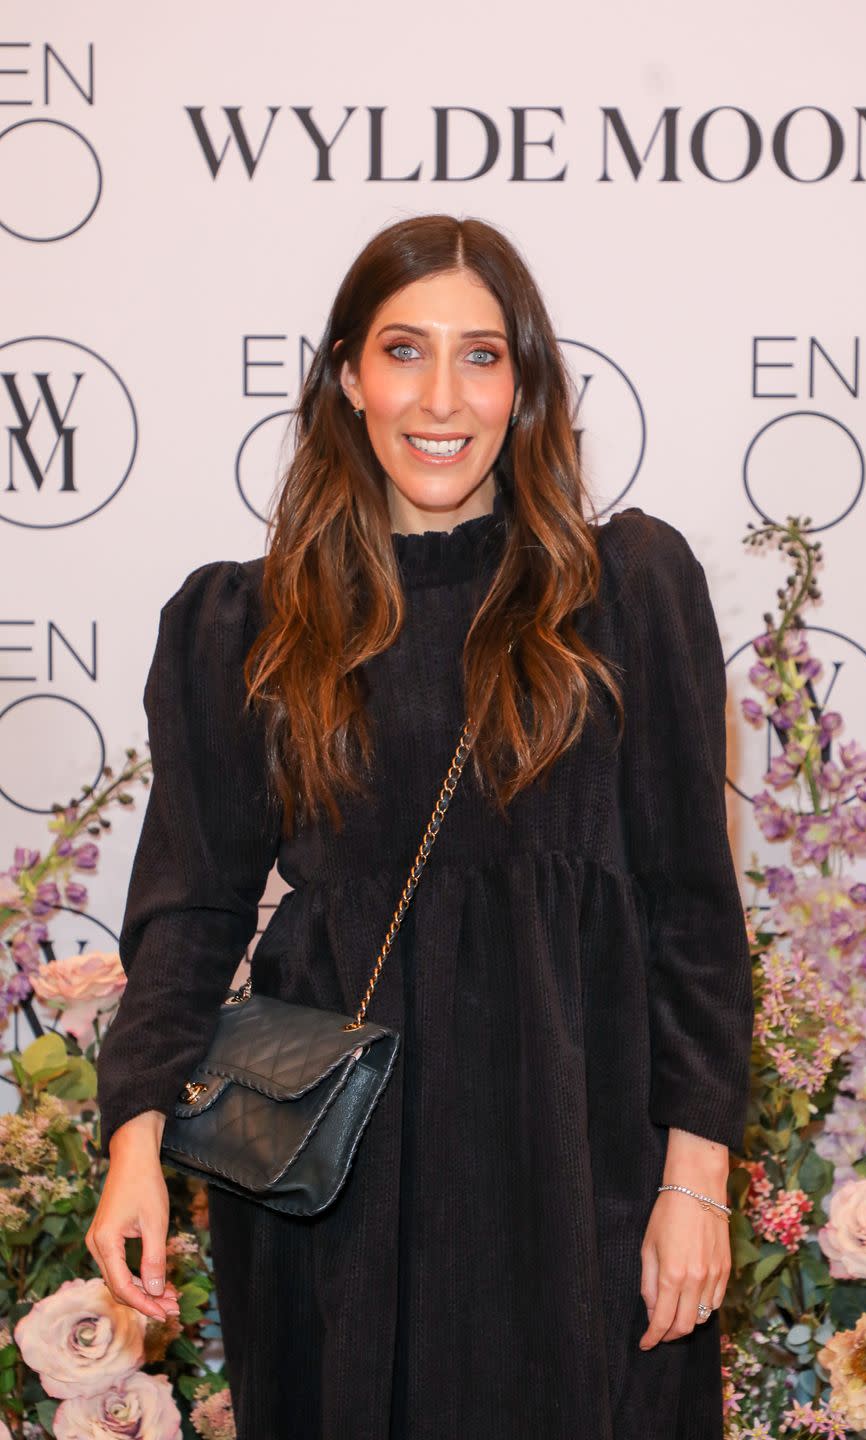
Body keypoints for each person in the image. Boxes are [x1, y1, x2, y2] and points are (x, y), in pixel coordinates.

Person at [89, 213, 754, 1440]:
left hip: (583, 1170)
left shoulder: (626, 593)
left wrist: (695, 1179)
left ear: (527, 384)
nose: (440, 396)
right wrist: (135, 1141)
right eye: (404, 351)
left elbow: (693, 913)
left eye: (482, 356)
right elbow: (188, 914)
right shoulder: (245, 625)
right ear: (347, 376)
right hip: (337, 1199)